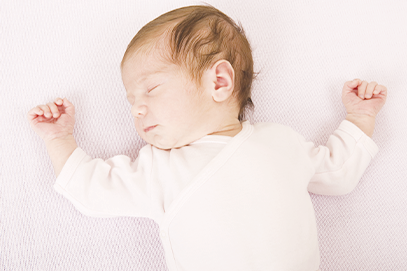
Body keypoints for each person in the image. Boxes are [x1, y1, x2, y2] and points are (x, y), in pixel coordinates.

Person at [27, 4, 387, 271]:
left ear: (219, 82)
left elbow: (338, 173)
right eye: (131, 101)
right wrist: (59, 138)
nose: (136, 109)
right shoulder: (159, 168)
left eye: (150, 89)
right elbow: (94, 190)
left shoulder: (282, 141)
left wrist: (359, 117)